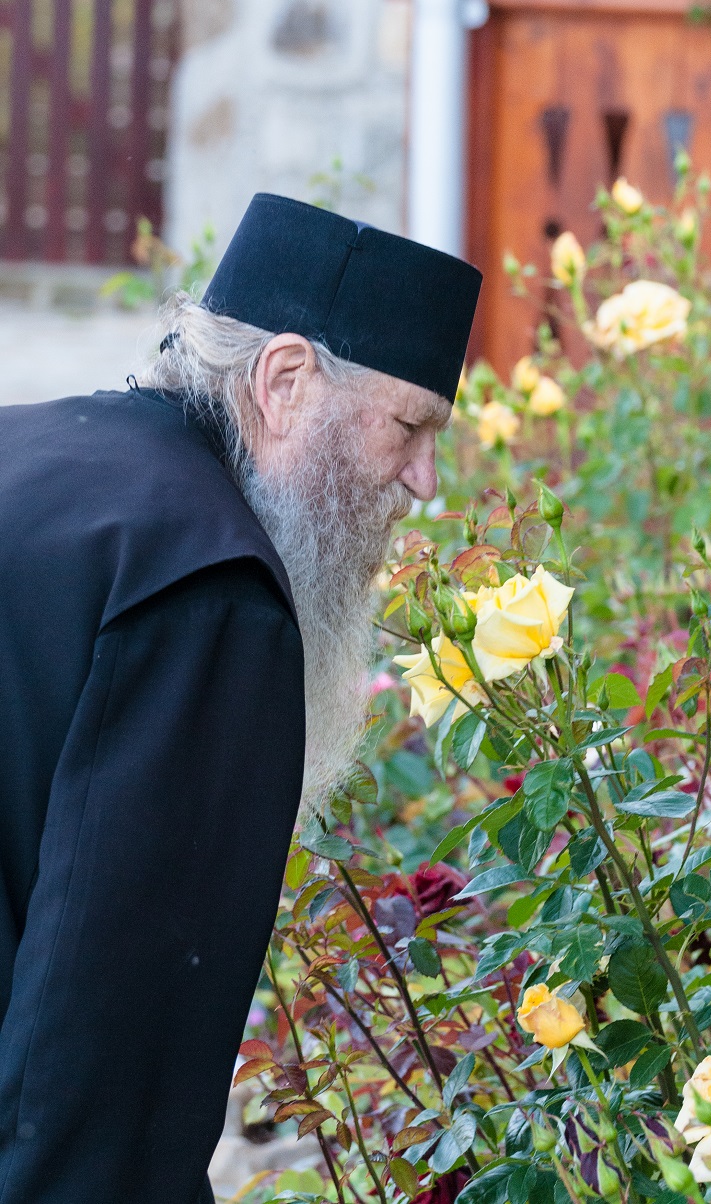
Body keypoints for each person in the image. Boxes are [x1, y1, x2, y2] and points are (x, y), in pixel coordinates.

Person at [0, 194, 481, 1203]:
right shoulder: (207, 587)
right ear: (286, 380)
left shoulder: (24, 450)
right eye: (408, 426)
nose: (424, 481)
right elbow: (109, 1038)